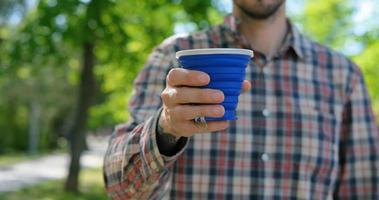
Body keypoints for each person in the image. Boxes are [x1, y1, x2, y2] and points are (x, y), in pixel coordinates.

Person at [103, 0, 379, 199]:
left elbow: (364, 189)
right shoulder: (174, 55)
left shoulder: (342, 75)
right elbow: (120, 188)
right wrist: (164, 130)